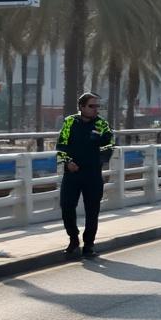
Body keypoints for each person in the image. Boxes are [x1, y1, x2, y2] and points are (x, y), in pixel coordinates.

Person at [56, 92, 114, 258]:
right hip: (72, 174)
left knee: (92, 211)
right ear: (81, 107)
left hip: (93, 175)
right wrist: (67, 162)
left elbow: (109, 145)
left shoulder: (102, 124)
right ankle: (73, 239)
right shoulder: (69, 122)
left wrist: (99, 160)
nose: (95, 109)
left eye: (97, 106)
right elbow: (61, 145)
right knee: (66, 206)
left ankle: (89, 245)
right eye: (91, 106)